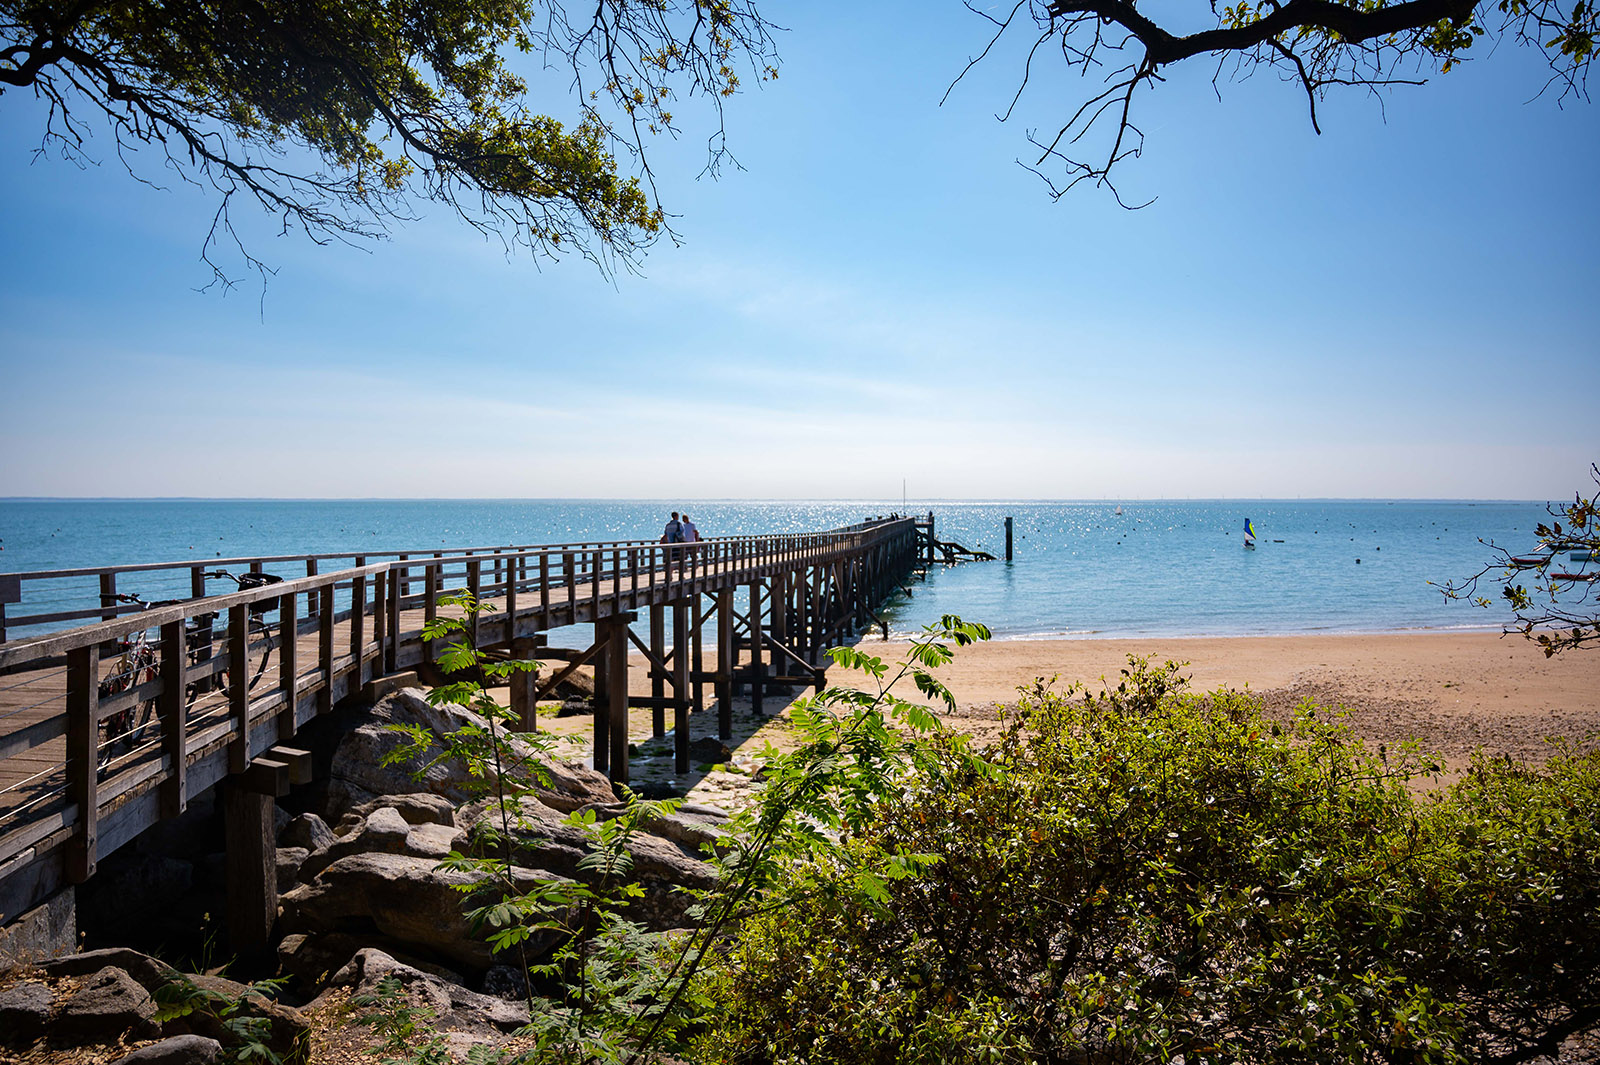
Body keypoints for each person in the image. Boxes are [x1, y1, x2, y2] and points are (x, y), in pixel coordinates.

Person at [660, 511, 685, 577]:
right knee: (680, 560)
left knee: (671, 560)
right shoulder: (679, 524)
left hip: (670, 545)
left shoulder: (668, 525)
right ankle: (681, 575)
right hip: (678, 545)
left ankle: (670, 575)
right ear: (676, 516)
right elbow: (682, 533)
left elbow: (665, 534)